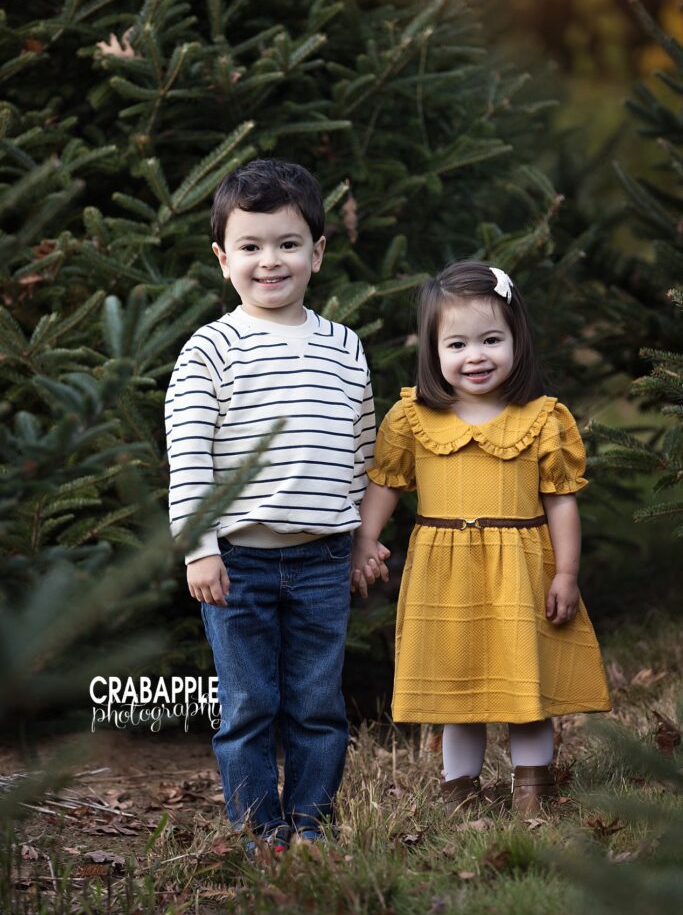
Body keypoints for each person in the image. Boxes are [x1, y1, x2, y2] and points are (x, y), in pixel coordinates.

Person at [165, 159, 381, 851]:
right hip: (236, 564)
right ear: (222, 257)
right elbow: (190, 456)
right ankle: (260, 829)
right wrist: (198, 547)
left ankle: (311, 822)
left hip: (321, 561)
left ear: (316, 253)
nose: (270, 261)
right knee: (249, 704)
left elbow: (361, 451)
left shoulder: (343, 348)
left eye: (287, 244)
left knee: (317, 705)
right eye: (251, 246)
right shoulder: (211, 348)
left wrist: (358, 541)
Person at [352, 260, 610, 816]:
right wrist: (364, 539)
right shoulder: (413, 417)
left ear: (517, 340)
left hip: (521, 570)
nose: (475, 356)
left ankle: (532, 791)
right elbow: (386, 483)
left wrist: (566, 573)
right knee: (456, 690)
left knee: (527, 687)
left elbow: (560, 500)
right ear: (433, 350)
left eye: (492, 339)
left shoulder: (542, 418)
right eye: (457, 344)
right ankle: (459, 794)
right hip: (445, 574)